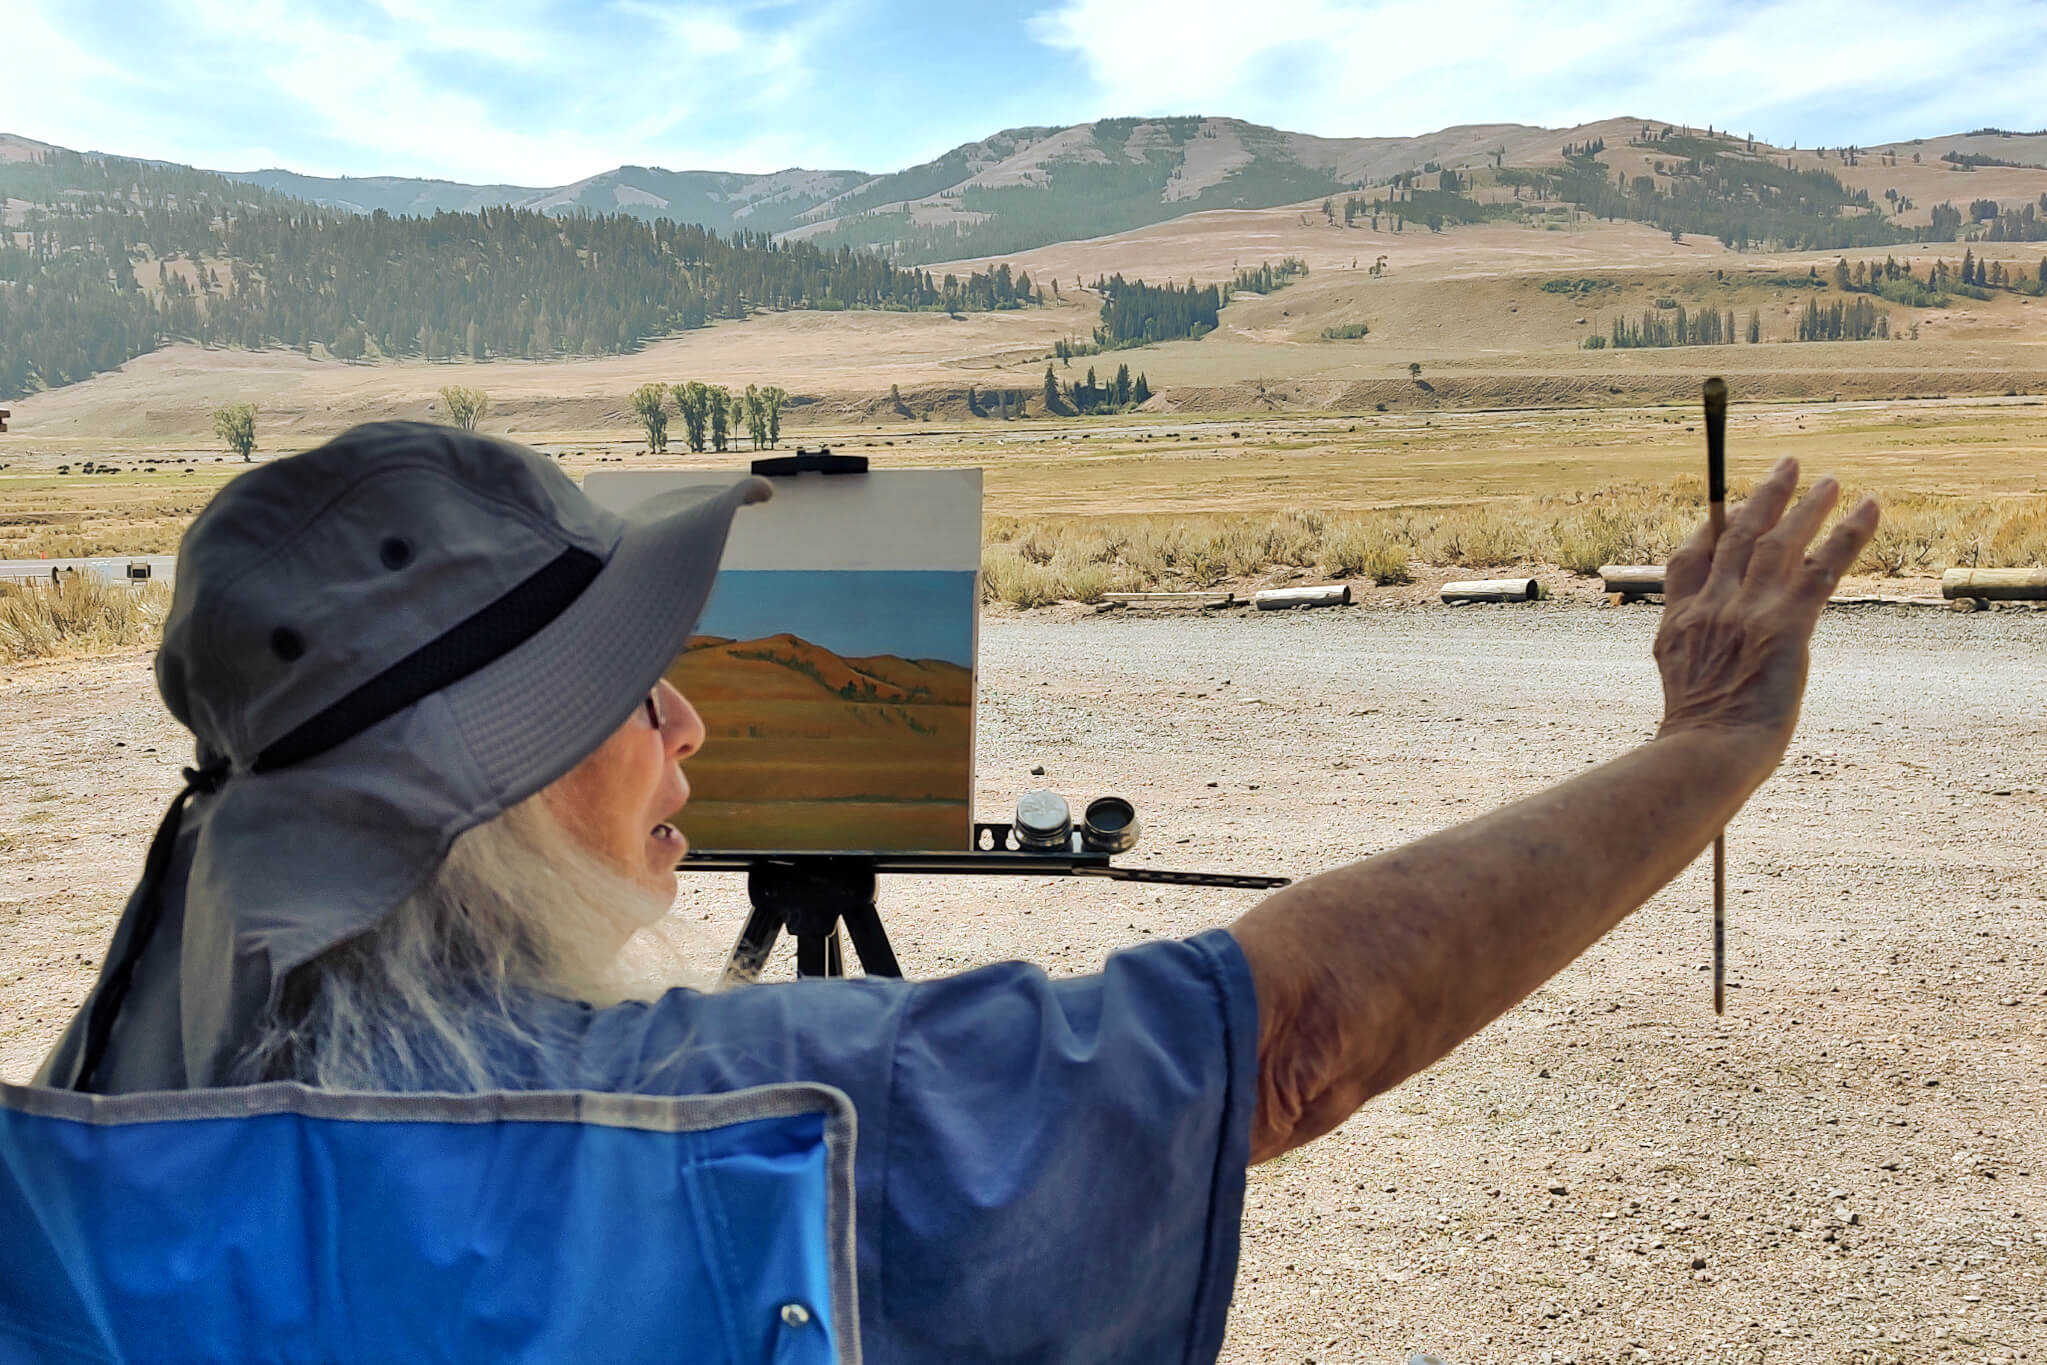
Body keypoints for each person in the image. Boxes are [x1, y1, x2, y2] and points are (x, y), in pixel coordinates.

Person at [36, 422, 1879, 1363]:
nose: (686, 722)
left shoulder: (121, 1093)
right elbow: (1288, 1037)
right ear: (485, 795)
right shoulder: (704, 1123)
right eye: (622, 690)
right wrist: (1711, 745)